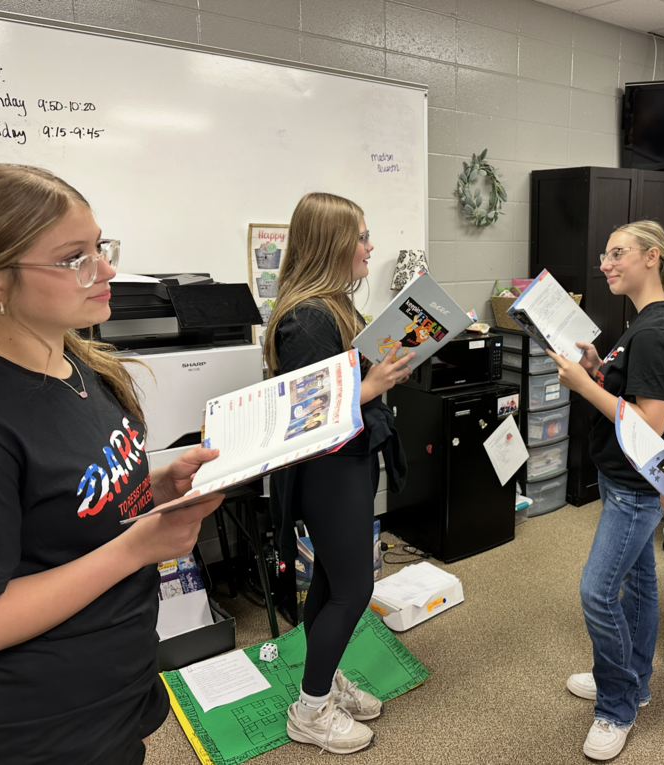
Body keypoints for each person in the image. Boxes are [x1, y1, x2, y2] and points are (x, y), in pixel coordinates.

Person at [0, 163, 225, 764]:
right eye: (74, 259)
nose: (108, 271)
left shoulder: (77, 362)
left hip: (115, 689)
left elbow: (76, 507)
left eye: (101, 247)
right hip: (38, 728)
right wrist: (136, 548)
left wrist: (160, 484)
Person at [264, 192, 413, 755]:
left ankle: (322, 683)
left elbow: (346, 376)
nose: (370, 246)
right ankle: (310, 710)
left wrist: (383, 369)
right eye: (362, 236)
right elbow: (312, 411)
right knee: (353, 590)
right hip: (328, 467)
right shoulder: (307, 318)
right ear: (332, 245)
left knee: (330, 582)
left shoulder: (333, 307)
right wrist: (372, 386)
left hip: (348, 458)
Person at [546, 220, 664, 760]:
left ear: (652, 258)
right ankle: (635, 681)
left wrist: (584, 386)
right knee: (638, 584)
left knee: (596, 591)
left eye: (618, 254)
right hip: (623, 476)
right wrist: (598, 371)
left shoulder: (655, 331)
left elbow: (649, 425)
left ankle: (617, 706)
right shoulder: (647, 322)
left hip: (634, 485)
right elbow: (631, 393)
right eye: (604, 255)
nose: (606, 264)